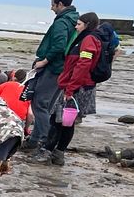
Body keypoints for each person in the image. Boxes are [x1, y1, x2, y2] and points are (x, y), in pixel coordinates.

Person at [37, 12, 102, 166]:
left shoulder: (88, 40)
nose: (76, 26)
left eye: (79, 24)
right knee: (60, 120)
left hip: (77, 88)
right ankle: (53, 151)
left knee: (64, 121)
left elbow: (83, 65)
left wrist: (71, 88)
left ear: (87, 25)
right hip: (72, 85)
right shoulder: (84, 39)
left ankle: (53, 152)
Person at [25, 0, 78, 151]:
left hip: (54, 68)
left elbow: (59, 45)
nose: (51, 8)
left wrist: (44, 61)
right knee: (46, 105)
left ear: (60, 4)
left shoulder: (62, 22)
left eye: (52, 4)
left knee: (39, 103)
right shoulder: (73, 19)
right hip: (63, 69)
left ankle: (42, 140)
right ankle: (35, 139)